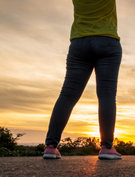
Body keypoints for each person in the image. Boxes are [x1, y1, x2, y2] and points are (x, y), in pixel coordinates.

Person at [43, 0, 122, 160]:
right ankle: (107, 147)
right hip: (107, 41)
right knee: (106, 95)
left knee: (67, 95)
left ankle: (50, 147)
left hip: (79, 43)